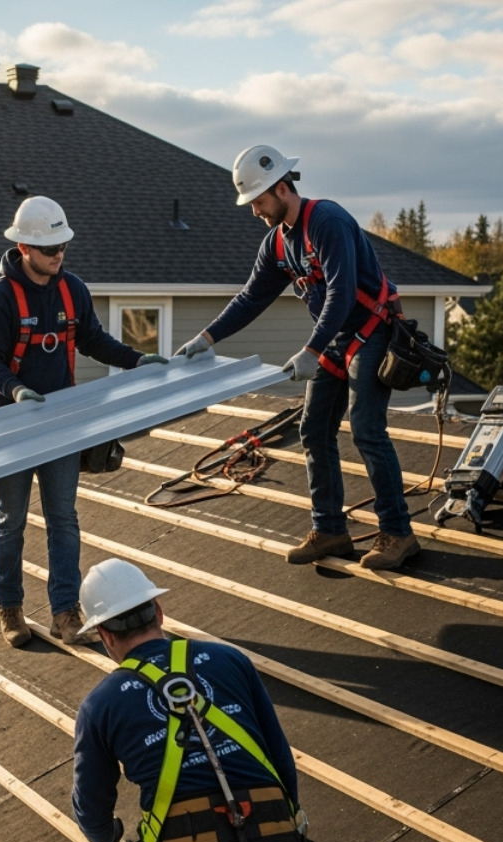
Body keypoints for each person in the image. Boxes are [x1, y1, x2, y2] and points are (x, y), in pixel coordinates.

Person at [72, 559, 300, 842]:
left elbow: (92, 807)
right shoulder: (231, 659)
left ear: (104, 636)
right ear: (158, 611)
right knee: (244, 800)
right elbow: (281, 761)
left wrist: (104, 840)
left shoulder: (101, 703)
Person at [176, 145, 420, 571]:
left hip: (370, 332)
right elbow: (252, 297)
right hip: (333, 340)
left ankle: (398, 533)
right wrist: (207, 337)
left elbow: (343, 293)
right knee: (313, 428)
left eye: (258, 201)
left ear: (282, 188)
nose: (254, 211)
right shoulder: (277, 243)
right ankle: (330, 531)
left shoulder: (327, 221)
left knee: (366, 429)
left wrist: (310, 351)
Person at [0, 196, 168, 648]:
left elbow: (93, 340)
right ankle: (11, 609)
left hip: (61, 425)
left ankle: (64, 613)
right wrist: (16, 389)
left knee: (63, 519)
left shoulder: (71, 289)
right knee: (11, 521)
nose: (58, 256)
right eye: (49, 249)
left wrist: (137, 360)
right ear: (24, 247)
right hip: (11, 424)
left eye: (62, 247)